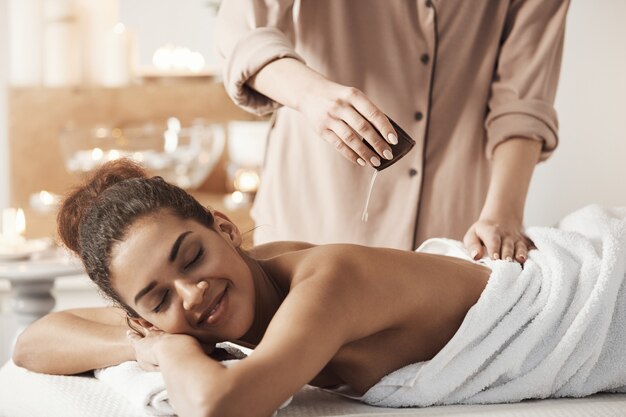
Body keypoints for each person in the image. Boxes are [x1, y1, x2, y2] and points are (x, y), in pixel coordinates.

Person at [12, 160, 626, 416]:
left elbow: (220, 406)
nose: (192, 294)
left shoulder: (325, 283)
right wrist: (137, 345)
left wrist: (168, 347)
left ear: (223, 228)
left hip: (602, 296)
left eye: (191, 257)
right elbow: (32, 343)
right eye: (158, 298)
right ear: (138, 313)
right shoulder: (221, 299)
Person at [214, 0, 570, 262]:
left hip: (454, 237)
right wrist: (310, 94)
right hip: (312, 216)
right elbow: (243, 32)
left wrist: (503, 215)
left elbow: (523, 100)